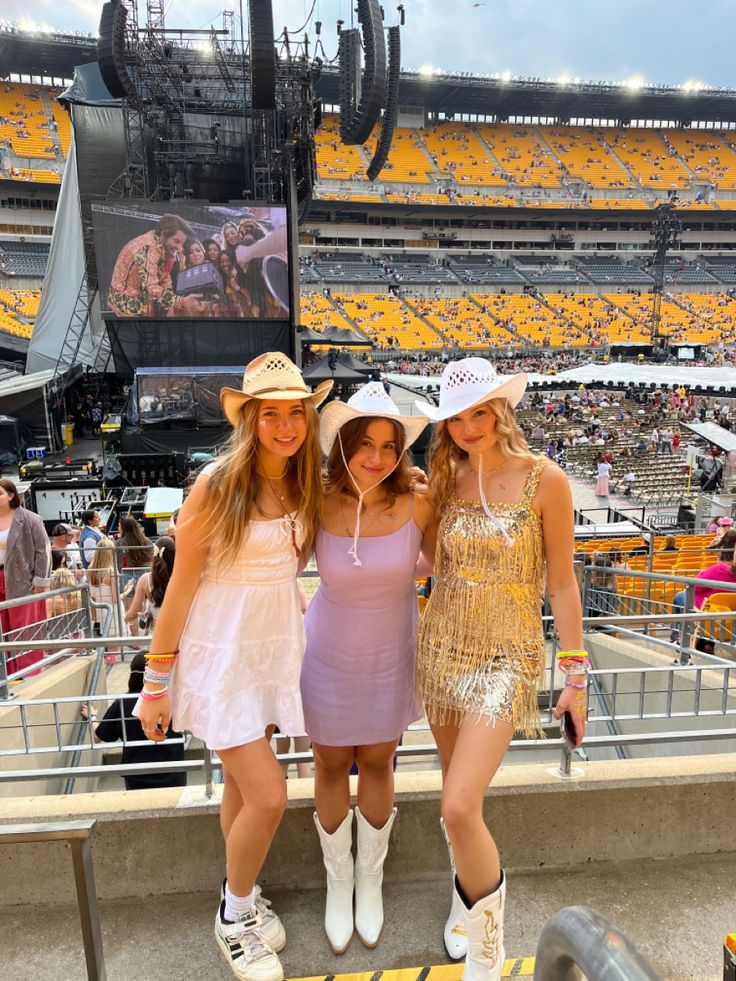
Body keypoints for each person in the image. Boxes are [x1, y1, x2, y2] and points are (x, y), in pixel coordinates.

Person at [139, 352, 331, 981]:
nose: (284, 425)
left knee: (244, 791)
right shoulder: (218, 484)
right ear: (248, 420)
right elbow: (182, 589)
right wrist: (155, 684)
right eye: (269, 414)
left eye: (293, 412)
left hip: (272, 648)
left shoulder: (299, 482)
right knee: (271, 795)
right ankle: (234, 915)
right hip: (221, 657)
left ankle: (241, 899)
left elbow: (283, 568)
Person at [413, 358, 586, 978]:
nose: (468, 426)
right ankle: (464, 898)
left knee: (460, 806)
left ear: (501, 410)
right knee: (453, 796)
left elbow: (562, 586)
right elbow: (425, 563)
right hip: (441, 652)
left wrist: (575, 675)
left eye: (478, 411)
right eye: (456, 417)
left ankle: (488, 944)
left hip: (506, 657)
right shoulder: (441, 480)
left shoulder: (547, 481)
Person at [300, 383, 432, 954]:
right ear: (344, 445)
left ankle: (369, 879)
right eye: (366, 444)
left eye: (389, 445)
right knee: (329, 767)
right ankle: (339, 880)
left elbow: (453, 562)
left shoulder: (419, 501)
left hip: (391, 657)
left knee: (378, 764)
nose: (377, 457)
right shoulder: (315, 500)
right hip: (326, 657)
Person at [81, 653, 186, 791]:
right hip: (173, 775)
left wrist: (92, 717)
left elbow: (98, 736)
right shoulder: (172, 700)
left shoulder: (122, 703)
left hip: (138, 777)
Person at [107, 213, 206, 318]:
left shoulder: (159, 242)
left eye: (181, 243)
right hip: (124, 304)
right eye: (176, 241)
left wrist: (171, 307)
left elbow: (164, 277)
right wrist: (181, 302)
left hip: (140, 300)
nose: (180, 248)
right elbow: (152, 287)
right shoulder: (148, 248)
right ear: (163, 234)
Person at [0, 478, 51, 675]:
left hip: (22, 580)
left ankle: (28, 673)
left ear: (11, 495)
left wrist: (40, 581)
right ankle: (7, 673)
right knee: (3, 630)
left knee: (24, 629)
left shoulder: (30, 519)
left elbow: (43, 551)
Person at [124, 536, 175, 635]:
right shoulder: (182, 578)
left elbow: (133, 612)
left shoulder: (145, 580)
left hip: (156, 634)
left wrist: (123, 618)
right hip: (180, 633)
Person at [115, 514, 154, 596]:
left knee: (128, 606)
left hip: (125, 578)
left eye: (119, 526)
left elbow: (115, 559)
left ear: (124, 528)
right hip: (144, 575)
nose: (118, 529)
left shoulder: (118, 543)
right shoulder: (147, 541)